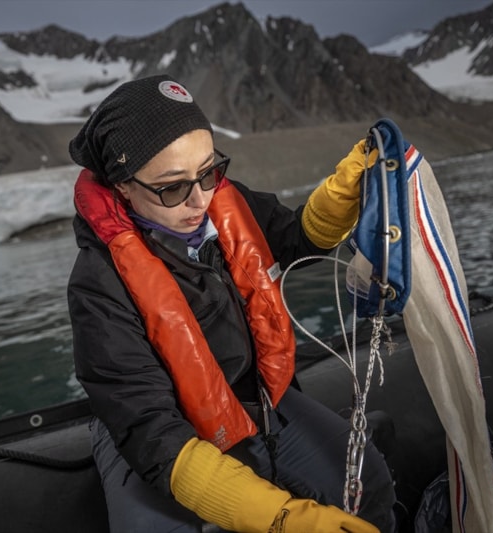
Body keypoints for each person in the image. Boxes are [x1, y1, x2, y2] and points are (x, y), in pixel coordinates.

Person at [67, 74, 396, 533]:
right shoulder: (97, 286)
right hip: (163, 428)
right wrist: (281, 520)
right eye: (172, 187)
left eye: (208, 172)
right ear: (122, 186)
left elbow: (294, 239)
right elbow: (152, 433)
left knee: (368, 483)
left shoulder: (228, 203)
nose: (199, 199)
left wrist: (342, 196)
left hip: (251, 399)